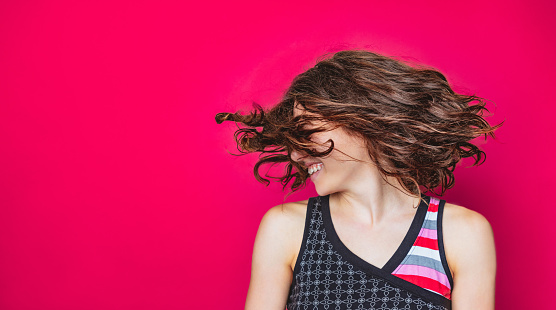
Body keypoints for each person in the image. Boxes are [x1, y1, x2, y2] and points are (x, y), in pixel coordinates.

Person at [215, 50, 502, 310]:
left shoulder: (462, 233)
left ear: (361, 122)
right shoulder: (286, 228)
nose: (294, 154)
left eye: (305, 133)